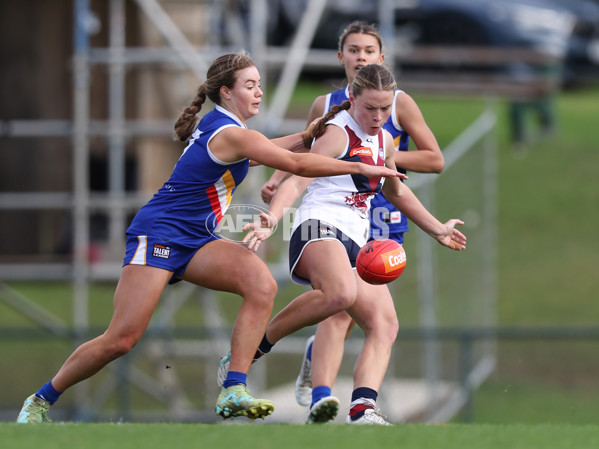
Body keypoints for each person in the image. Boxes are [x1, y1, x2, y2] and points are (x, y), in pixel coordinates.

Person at [15, 51, 402, 424]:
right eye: (250, 85)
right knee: (121, 339)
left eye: (260, 85)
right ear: (226, 92)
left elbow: (266, 152)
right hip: (160, 232)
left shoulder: (232, 131)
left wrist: (308, 135)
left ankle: (233, 387)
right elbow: (296, 163)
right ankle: (41, 399)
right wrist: (358, 163)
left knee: (261, 284)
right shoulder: (230, 131)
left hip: (197, 237)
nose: (259, 92)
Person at [217, 63, 466, 425]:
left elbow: (396, 189)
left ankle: (363, 408)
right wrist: (274, 215)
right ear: (352, 99)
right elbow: (298, 179)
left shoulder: (383, 141)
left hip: (358, 237)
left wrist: (437, 228)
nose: (378, 117)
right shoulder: (337, 132)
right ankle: (256, 346)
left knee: (385, 323)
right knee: (341, 294)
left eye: (385, 108)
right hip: (318, 225)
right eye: (370, 108)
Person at [260, 21, 445, 416]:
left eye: (368, 50)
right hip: (329, 215)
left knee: (370, 315)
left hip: (380, 219)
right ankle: (322, 397)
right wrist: (277, 181)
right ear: (340, 57)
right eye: (353, 50)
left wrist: (378, 163)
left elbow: (434, 160)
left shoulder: (395, 108)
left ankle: (354, 402)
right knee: (339, 302)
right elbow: (303, 153)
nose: (360, 56)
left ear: (381, 58)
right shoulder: (327, 108)